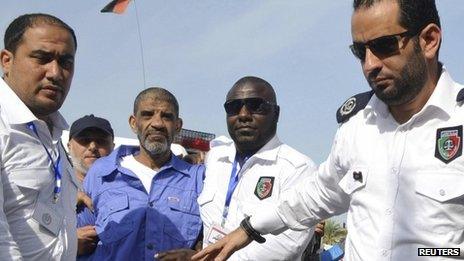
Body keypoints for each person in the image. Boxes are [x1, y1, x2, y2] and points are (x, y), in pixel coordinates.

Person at [193, 1, 463, 260]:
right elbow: (317, 194)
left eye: (383, 45)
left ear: (429, 40)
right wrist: (249, 229)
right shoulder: (358, 126)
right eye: (360, 51)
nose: (370, 64)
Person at [197, 76, 317, 260]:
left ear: (276, 114)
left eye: (255, 106)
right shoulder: (215, 159)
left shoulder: (298, 168)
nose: (243, 114)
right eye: (233, 107)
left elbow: (288, 244)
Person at [78, 87, 204, 261]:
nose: (157, 123)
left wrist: (196, 256)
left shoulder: (197, 179)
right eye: (147, 114)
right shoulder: (101, 173)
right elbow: (80, 240)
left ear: (178, 126)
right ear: (133, 123)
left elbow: (215, 240)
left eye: (166, 116)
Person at [0, 13, 79, 260]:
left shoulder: (53, 133)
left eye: (66, 62)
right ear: (6, 60)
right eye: (42, 58)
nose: (55, 73)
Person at [67, 114, 115, 256]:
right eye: (84, 140)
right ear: (69, 146)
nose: (93, 147)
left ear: (113, 146)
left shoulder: (127, 187)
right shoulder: (51, 185)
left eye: (101, 141)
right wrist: (68, 242)